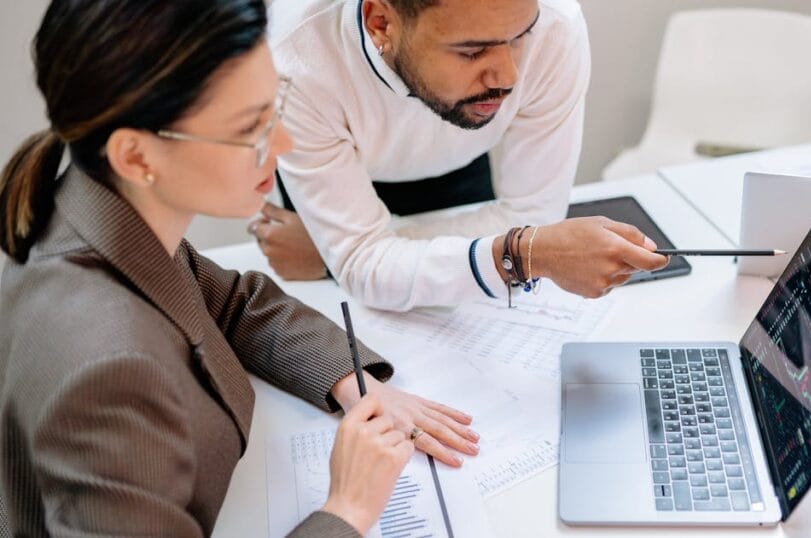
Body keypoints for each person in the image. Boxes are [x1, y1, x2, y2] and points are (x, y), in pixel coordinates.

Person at [0, 1, 478, 535]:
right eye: (252, 127)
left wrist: (352, 381)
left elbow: (231, 303)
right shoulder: (106, 371)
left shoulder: (102, 209)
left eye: (275, 107)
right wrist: (347, 508)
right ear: (136, 157)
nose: (284, 143)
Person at [248, 0, 668, 311]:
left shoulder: (556, 27)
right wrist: (521, 252)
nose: (508, 78)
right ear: (380, 23)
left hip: (462, 158)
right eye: (471, 51)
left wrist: (331, 257)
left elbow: (533, 220)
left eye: (520, 38)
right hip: (339, 156)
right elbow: (363, 266)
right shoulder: (297, 63)